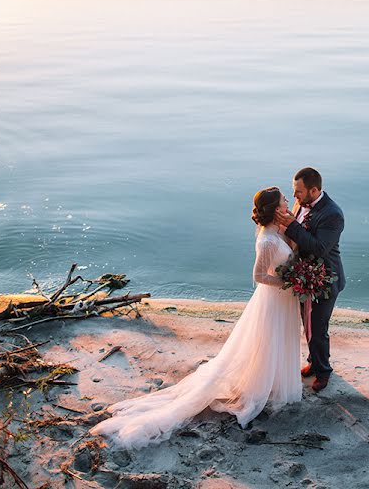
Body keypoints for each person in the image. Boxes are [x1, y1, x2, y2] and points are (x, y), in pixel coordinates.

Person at [90, 187, 302, 448]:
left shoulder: (277, 231)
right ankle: (261, 385)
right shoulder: (267, 240)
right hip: (274, 298)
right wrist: (287, 282)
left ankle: (274, 381)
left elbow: (291, 249)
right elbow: (259, 276)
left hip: (283, 298)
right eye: (284, 201)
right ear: (274, 209)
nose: (288, 202)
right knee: (269, 340)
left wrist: (291, 232)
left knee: (278, 339)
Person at [274, 167, 345, 392]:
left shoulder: (333, 214)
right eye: (294, 192)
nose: (295, 196)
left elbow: (320, 247)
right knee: (308, 326)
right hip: (306, 277)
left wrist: (291, 225)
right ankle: (314, 362)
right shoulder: (300, 205)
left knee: (318, 327)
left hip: (326, 279)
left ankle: (324, 371)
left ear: (314, 190)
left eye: (299, 192)